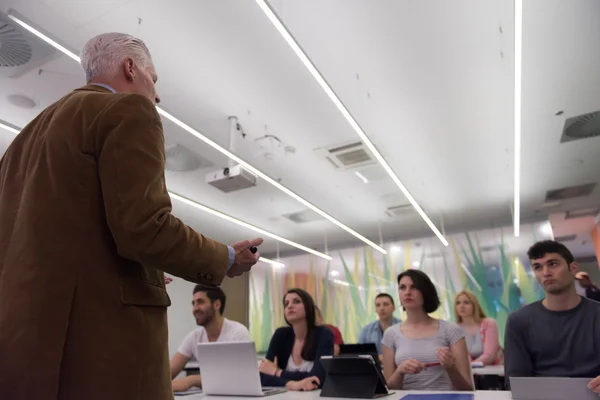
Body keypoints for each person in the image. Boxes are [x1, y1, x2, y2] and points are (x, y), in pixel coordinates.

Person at [0, 32, 263, 400]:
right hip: (105, 346)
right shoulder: (127, 109)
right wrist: (228, 258)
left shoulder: (22, 141)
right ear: (130, 68)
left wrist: (145, 272)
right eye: (153, 79)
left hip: (25, 347)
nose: (155, 95)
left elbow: (54, 244)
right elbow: (143, 228)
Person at [504, 240, 600, 394]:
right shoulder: (519, 321)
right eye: (538, 267)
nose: (546, 272)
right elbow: (516, 381)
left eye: (553, 264)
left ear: (573, 268)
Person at [381, 269, 473, 391]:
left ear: (425, 292)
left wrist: (451, 369)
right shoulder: (390, 335)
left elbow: (467, 389)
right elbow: (388, 391)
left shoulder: (451, 330)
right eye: (402, 287)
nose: (407, 292)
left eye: (414, 287)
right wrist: (400, 372)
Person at [170, 285, 252, 392]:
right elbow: (169, 371)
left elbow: (239, 377)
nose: (195, 308)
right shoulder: (194, 337)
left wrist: (191, 380)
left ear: (217, 305)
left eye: (200, 302)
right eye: (193, 303)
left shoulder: (238, 333)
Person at [258, 288, 334, 391]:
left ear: (308, 307)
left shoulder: (324, 334)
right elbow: (262, 376)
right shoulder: (281, 335)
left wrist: (277, 372)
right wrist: (292, 384)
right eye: (286, 304)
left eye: (296, 301)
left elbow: (318, 379)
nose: (289, 306)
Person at [454, 290, 502, 365]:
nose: (461, 306)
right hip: (473, 373)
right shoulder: (455, 329)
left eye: (466, 302)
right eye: (458, 303)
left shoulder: (489, 323)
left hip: (495, 371)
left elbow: (490, 355)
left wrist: (470, 366)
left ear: (474, 305)